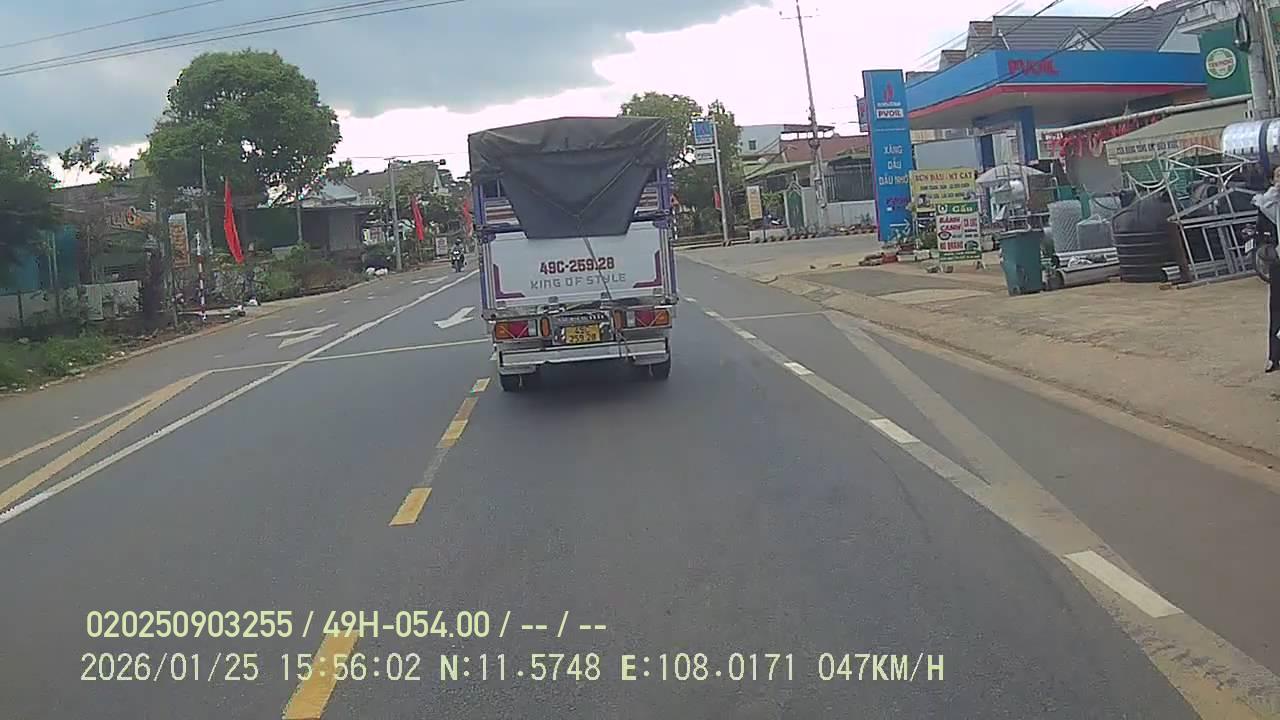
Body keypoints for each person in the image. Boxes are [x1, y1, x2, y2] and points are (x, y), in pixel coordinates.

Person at [1251, 166, 1280, 372]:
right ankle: (1274, 356)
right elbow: (1261, 234)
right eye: (1279, 175)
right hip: (1278, 263)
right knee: (1277, 308)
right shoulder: (1267, 204)